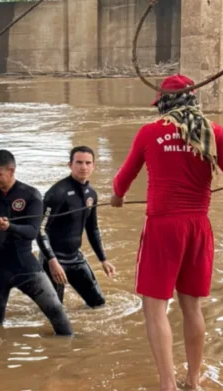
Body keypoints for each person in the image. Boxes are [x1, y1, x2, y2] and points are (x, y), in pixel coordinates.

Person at [110, 74, 223, 391]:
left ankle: (168, 385)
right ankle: (194, 381)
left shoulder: (150, 132)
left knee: (154, 308)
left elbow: (122, 181)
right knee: (192, 308)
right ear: (193, 100)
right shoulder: (213, 132)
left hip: (163, 226)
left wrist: (116, 198)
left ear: (163, 103)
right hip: (199, 227)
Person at [0, 149, 73, 336]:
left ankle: (68, 348)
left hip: (24, 265)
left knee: (56, 309)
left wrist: (9, 227)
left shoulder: (30, 195)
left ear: (11, 170)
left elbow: (32, 231)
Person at [37, 146, 116, 308]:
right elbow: (40, 229)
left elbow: (92, 228)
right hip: (53, 259)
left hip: (75, 258)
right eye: (79, 162)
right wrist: (52, 261)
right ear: (70, 165)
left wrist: (103, 259)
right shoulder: (57, 193)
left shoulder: (91, 194)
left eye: (88, 163)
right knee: (55, 311)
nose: (83, 167)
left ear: (94, 166)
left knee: (98, 304)